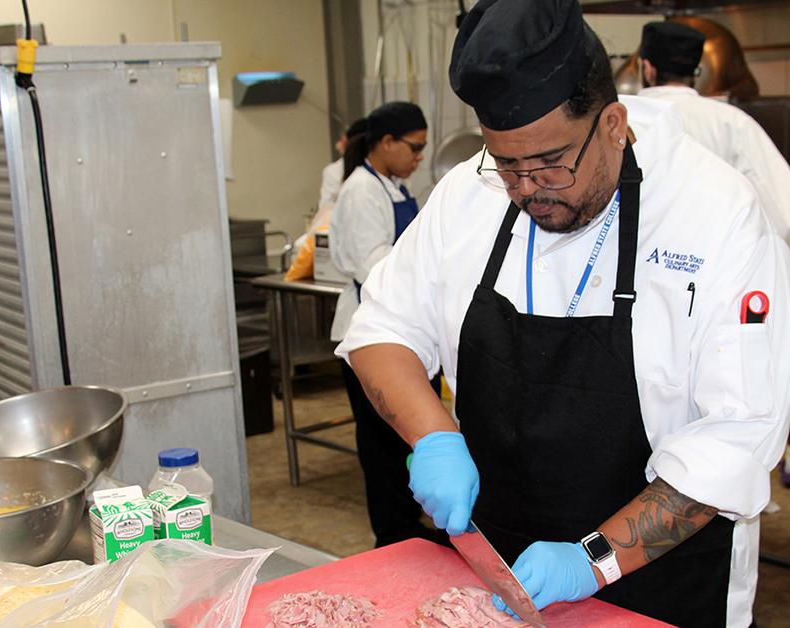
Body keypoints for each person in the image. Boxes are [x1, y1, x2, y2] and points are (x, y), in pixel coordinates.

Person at [335, 1, 790, 626]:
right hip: (498, 573)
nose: (528, 189)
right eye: (507, 165)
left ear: (612, 124)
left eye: (551, 162)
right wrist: (434, 436)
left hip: (662, 586)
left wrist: (591, 560)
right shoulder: (468, 194)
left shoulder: (715, 216)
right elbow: (382, 330)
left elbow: (737, 436)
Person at [328, 101, 443, 548]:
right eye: (414, 148)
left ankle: (408, 527)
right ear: (386, 142)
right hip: (369, 337)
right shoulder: (362, 190)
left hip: (402, 332)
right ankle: (394, 535)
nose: (418, 158)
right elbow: (374, 265)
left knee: (403, 443)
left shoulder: (392, 186)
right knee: (383, 448)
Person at [637, 20, 790, 243]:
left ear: (648, 68)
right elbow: (783, 203)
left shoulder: (619, 118)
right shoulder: (731, 121)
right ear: (695, 71)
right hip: (715, 259)